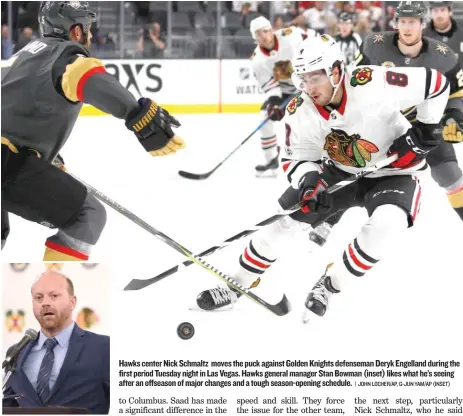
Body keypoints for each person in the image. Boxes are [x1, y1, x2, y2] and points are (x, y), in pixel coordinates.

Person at [196, 34, 451, 319]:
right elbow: (296, 157)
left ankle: (329, 286)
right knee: (281, 224)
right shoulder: (299, 110)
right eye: (302, 79)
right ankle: (236, 284)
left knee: (387, 225)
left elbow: (436, 84)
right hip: (338, 172)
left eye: (315, 78)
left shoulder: (373, 81)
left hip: (395, 171)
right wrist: (308, 181)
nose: (308, 87)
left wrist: (427, 128)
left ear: (337, 71)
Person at [1, 1, 185, 260]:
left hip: (8, 157)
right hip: (6, 163)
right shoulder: (65, 56)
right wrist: (137, 114)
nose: (89, 35)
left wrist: (43, 157)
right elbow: (90, 79)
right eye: (86, 28)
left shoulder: (23, 56)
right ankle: (52, 295)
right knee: (86, 216)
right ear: (76, 32)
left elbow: (14, 111)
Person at [354, 1, 463, 221]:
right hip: (382, 123)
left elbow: (456, 94)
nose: (407, 27)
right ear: (395, 23)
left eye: (412, 21)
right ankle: (326, 222)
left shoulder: (443, 56)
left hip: (425, 124)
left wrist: (454, 116)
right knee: (353, 169)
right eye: (402, 21)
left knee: (449, 173)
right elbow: (355, 83)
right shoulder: (374, 46)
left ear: (422, 24)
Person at [3, 270, 110, 413]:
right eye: (38, 298)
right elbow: (9, 406)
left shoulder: (104, 348)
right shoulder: (16, 352)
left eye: (54, 296)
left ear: (72, 302)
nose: (45, 303)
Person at [249, 16, 314, 177]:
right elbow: (270, 87)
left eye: (265, 31)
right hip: (286, 91)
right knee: (265, 116)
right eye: (258, 34)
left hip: (311, 82)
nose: (263, 36)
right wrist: (274, 103)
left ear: (271, 30)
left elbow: (314, 41)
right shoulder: (257, 60)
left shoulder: (290, 35)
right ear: (254, 38)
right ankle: (271, 159)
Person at [424, 1, 463, 67]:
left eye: (443, 10)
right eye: (435, 11)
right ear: (430, 13)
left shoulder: (461, 32)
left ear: (450, 12)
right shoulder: (422, 36)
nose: (439, 15)